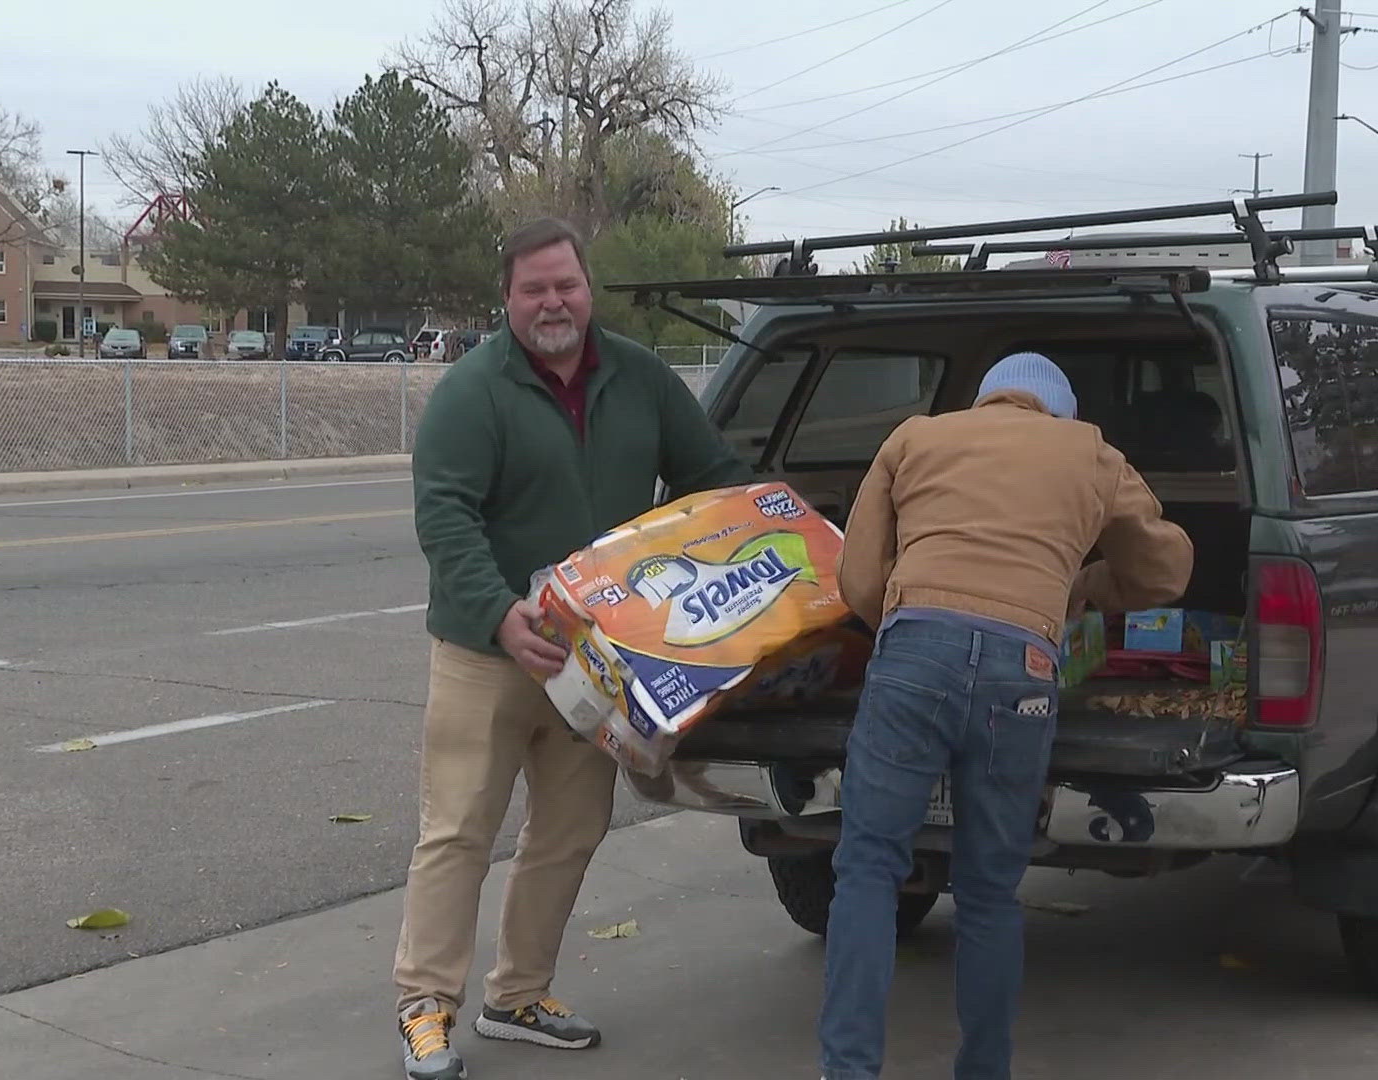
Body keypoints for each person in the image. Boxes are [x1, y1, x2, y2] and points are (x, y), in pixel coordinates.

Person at [394, 218, 750, 1080]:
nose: (553, 302)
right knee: (458, 832)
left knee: (571, 828)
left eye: (567, 285)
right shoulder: (472, 391)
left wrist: (695, 563)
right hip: (489, 654)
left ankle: (518, 996)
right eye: (534, 289)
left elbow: (710, 475)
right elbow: (444, 515)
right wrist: (497, 614)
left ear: (589, 288)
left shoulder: (640, 378)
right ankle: (425, 1007)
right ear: (507, 299)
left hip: (597, 662)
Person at [820, 352, 1195, 1080]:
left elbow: (860, 578)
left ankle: (848, 1070)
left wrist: (909, 632)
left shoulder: (914, 437)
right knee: (990, 890)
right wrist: (1084, 584)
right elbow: (1166, 571)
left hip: (912, 658)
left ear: (988, 400)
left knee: (867, 871)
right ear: (1058, 412)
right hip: (1021, 673)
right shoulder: (1090, 452)